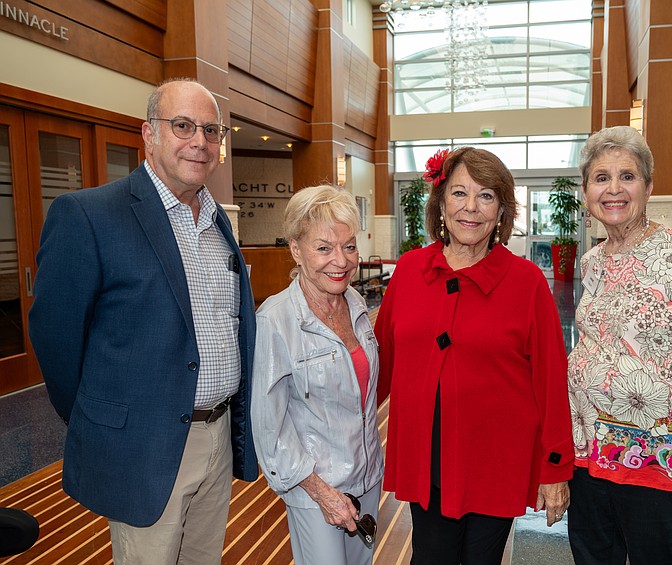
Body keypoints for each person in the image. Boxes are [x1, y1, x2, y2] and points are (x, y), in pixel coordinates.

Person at [28, 78, 258, 564]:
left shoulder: (218, 224)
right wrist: (105, 419)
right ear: (148, 135)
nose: (200, 140)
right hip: (144, 448)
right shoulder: (89, 215)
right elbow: (56, 338)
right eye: (182, 126)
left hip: (217, 438)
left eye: (211, 130)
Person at [375, 147, 574, 565]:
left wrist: (555, 466)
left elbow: (551, 381)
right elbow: (381, 364)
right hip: (426, 459)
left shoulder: (527, 282)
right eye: (459, 193)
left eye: (486, 196)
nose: (471, 207)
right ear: (441, 202)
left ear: (501, 211)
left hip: (497, 459)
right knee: (430, 557)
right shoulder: (410, 272)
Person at [567, 125, 672, 565]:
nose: (613, 189)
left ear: (648, 185)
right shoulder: (591, 261)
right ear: (586, 190)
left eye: (627, 176)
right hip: (590, 457)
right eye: (601, 178)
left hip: (664, 460)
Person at [252, 184, 384, 565]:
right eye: (323, 248)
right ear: (296, 249)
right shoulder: (275, 322)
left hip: (368, 477)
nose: (340, 261)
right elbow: (270, 430)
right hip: (317, 489)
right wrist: (321, 492)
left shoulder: (356, 304)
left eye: (349, 246)